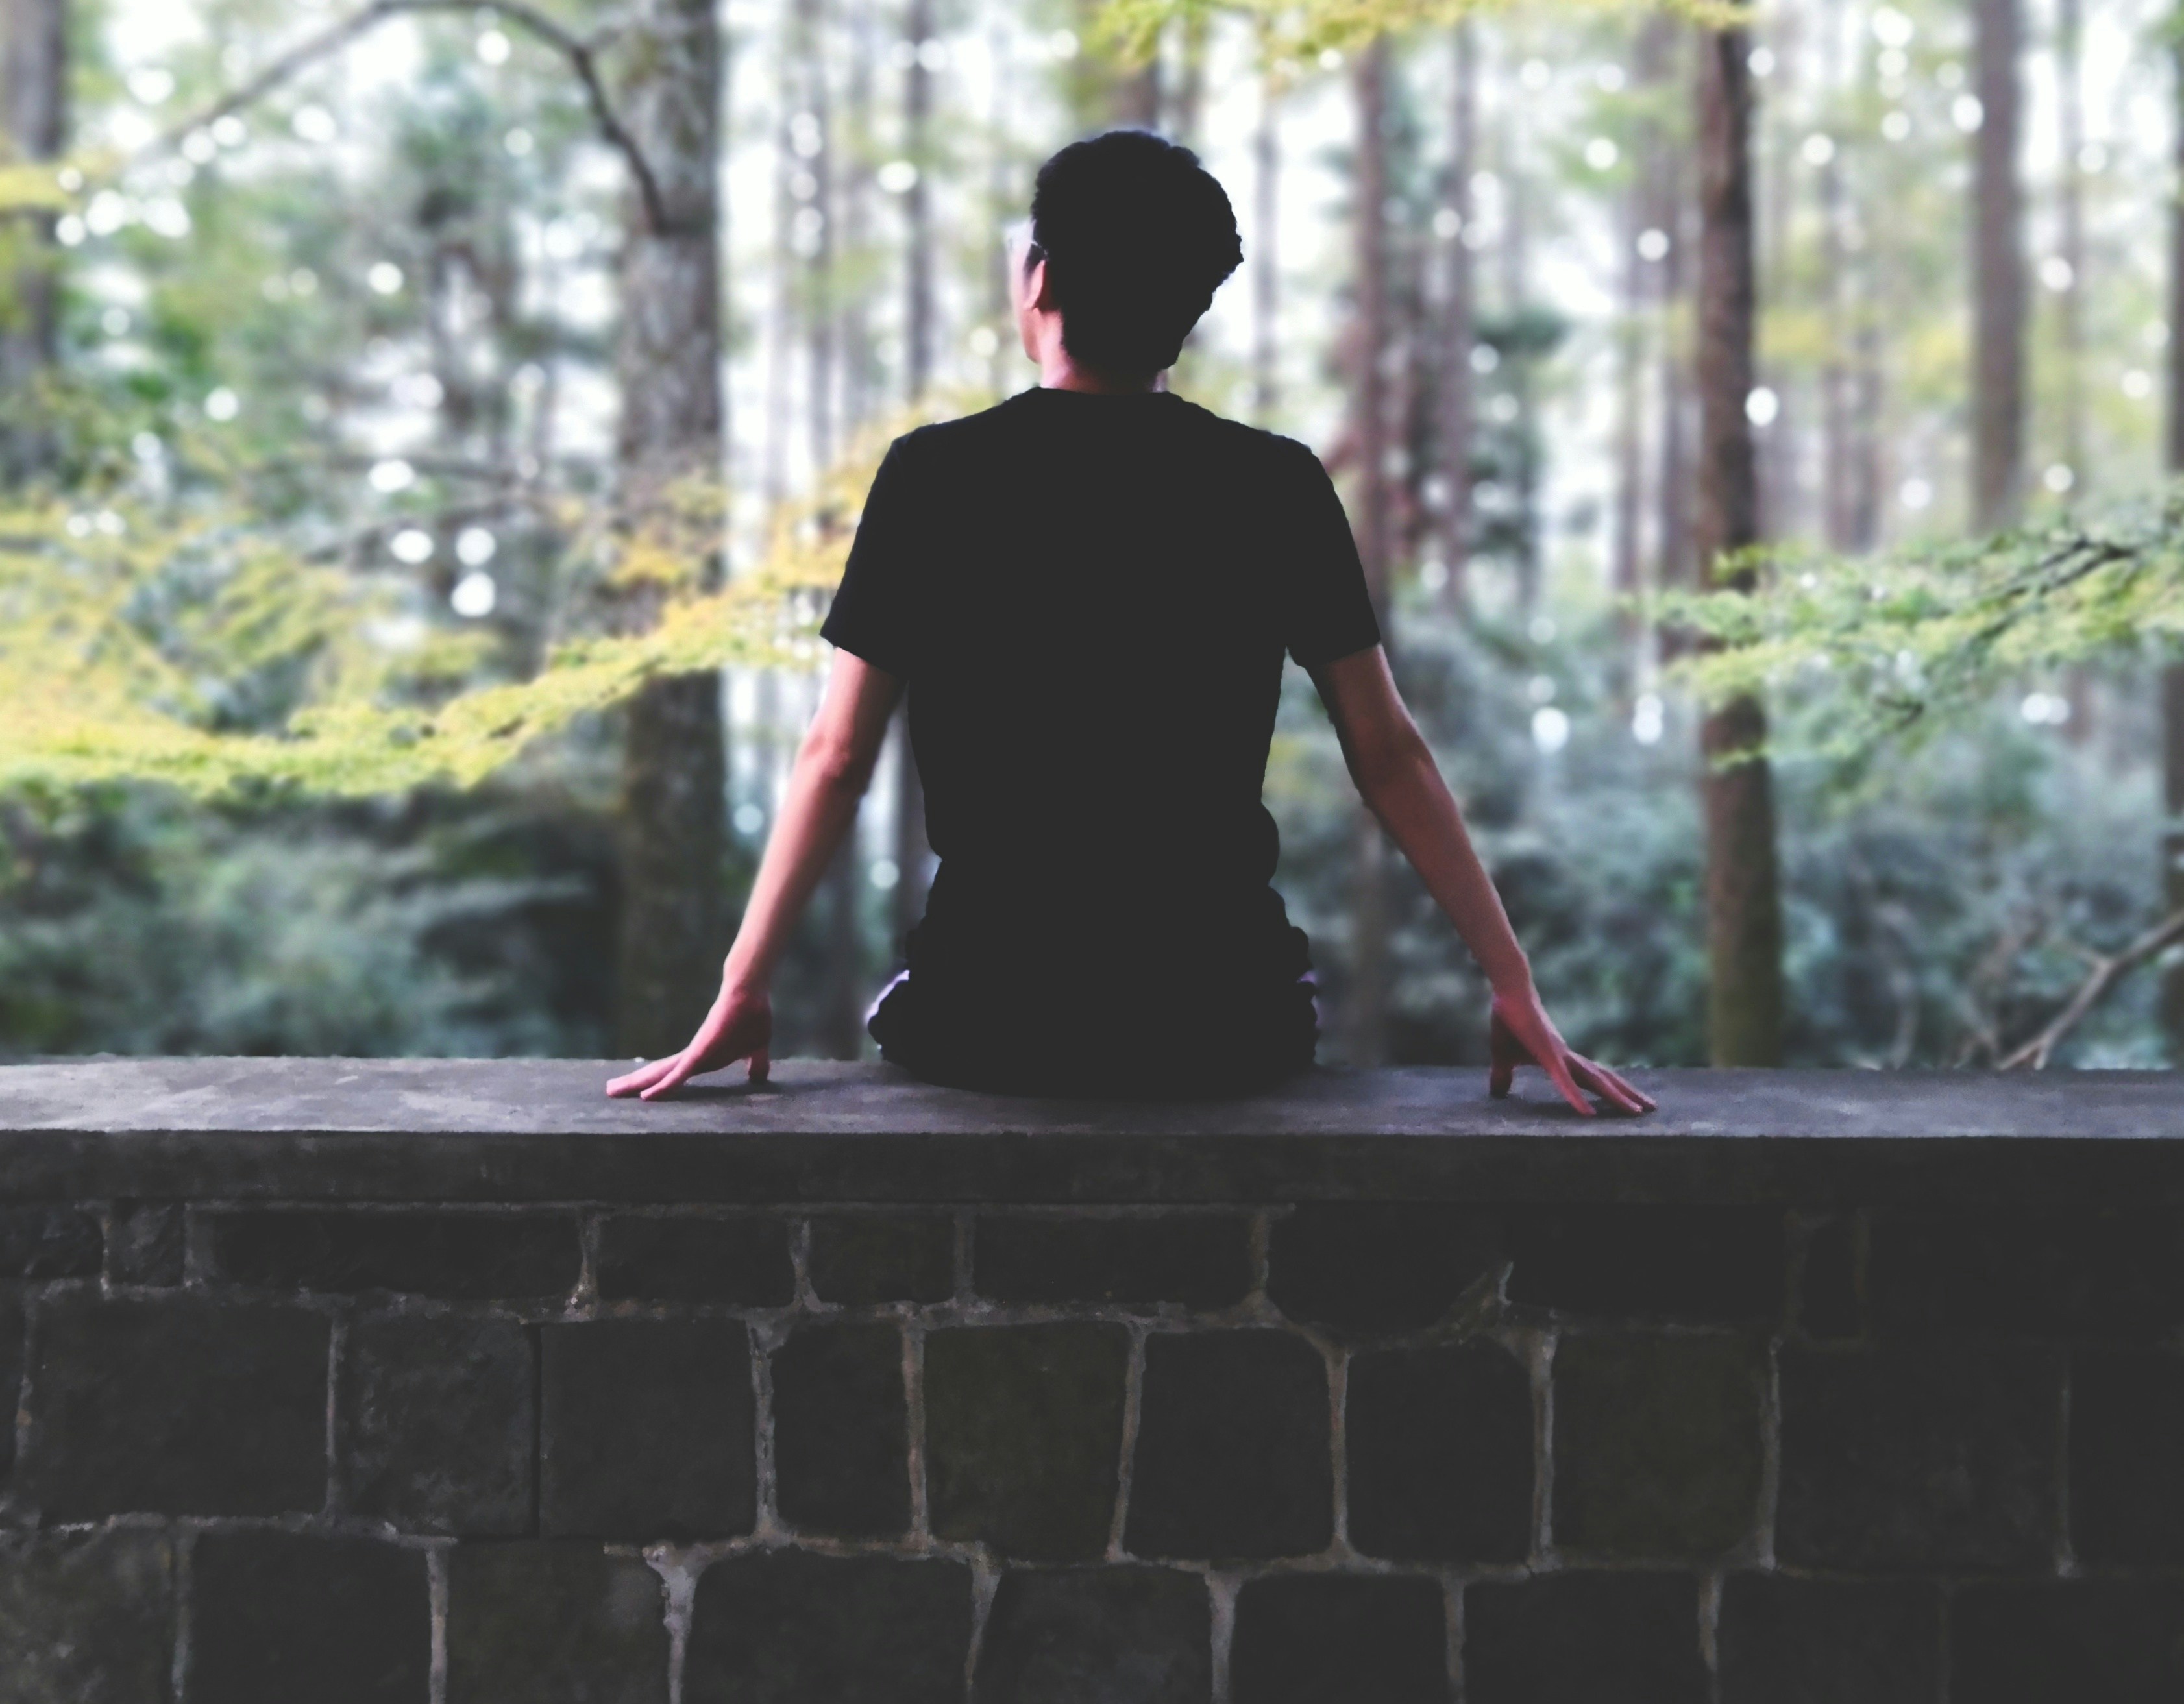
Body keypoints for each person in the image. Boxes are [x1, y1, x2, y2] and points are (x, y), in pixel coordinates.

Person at [609, 129, 1652, 1117]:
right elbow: (1387, 755)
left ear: (1042, 280)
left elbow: (837, 756)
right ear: (1184, 316)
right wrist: (1512, 982)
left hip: (991, 1024)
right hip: (1223, 1028)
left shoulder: (933, 476)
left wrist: (742, 985)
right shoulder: (1275, 484)